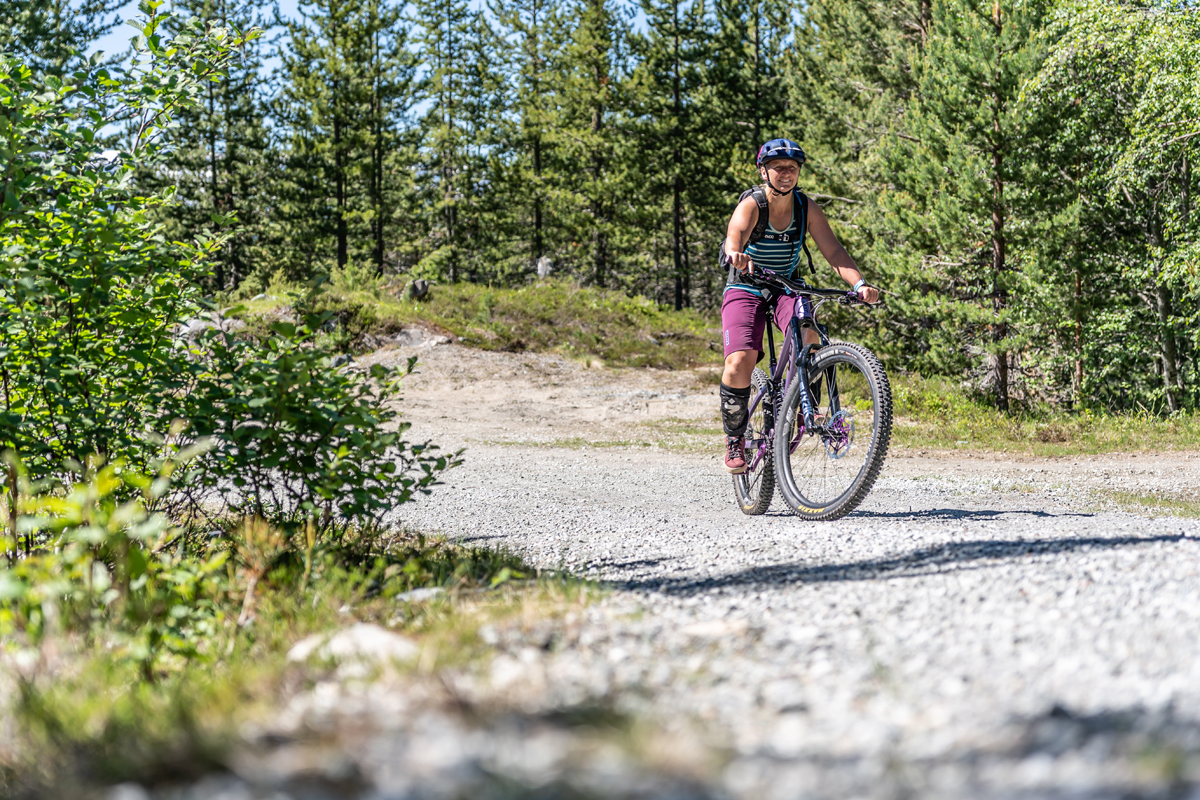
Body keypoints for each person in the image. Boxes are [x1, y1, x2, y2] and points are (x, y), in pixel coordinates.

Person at [719, 138, 880, 474]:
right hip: (745, 286)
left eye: (792, 167)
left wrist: (860, 284)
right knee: (739, 362)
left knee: (810, 336)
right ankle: (735, 438)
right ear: (764, 171)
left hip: (786, 287)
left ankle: (805, 406)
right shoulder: (753, 204)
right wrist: (735, 253)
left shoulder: (806, 208)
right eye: (778, 167)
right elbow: (735, 234)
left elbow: (833, 251)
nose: (786, 173)